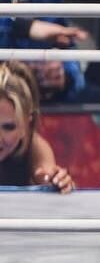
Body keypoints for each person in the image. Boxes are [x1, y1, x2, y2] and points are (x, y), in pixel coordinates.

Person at [0, 62, 75, 192]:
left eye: (9, 127)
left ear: (26, 124)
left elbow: (46, 175)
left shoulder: (35, 148)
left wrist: (57, 182)